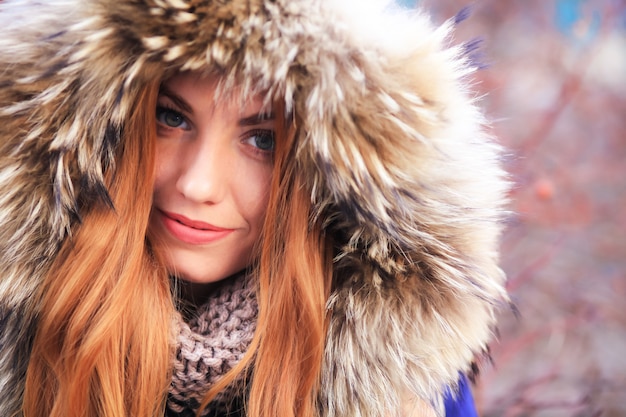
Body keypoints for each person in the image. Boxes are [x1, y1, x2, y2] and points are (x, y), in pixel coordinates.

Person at [0, 0, 509, 416]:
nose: (198, 184)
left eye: (261, 141)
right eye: (171, 118)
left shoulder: (400, 384)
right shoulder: (19, 328)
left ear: (326, 174)